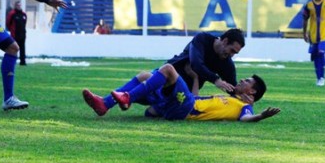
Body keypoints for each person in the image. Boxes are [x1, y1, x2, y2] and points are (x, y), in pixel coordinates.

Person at [82, 63, 280, 122]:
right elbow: (196, 97)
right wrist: (195, 78)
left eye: (247, 81)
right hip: (183, 105)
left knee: (168, 69)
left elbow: (246, 118)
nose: (242, 80)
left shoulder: (244, 106)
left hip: (186, 109)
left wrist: (261, 116)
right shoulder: (229, 99)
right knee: (144, 76)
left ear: (252, 91)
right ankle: (105, 104)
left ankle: (127, 98)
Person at [6, 1, 27, 66]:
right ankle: (13, 61)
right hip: (15, 35)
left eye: (20, 5)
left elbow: (25, 23)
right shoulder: (12, 14)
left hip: (22, 34)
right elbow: (8, 23)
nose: (19, 6)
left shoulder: (24, 14)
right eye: (17, 5)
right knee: (14, 48)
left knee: (22, 48)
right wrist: (11, 30)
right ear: (15, 6)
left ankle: (22, 62)